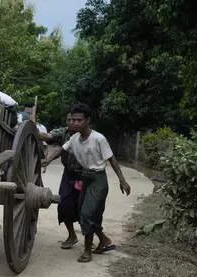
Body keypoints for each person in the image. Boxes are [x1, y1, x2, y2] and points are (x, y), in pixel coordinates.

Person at [43, 103, 131, 263]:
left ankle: (86, 251)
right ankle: (104, 240)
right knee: (85, 212)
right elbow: (61, 150)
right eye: (73, 120)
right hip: (84, 178)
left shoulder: (98, 139)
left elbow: (111, 158)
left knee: (86, 213)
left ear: (88, 120)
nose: (75, 123)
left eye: (79, 120)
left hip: (98, 179)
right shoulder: (74, 138)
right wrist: (48, 160)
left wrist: (122, 180)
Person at [40, 109, 82, 249]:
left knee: (85, 208)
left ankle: (89, 237)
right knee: (63, 205)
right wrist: (32, 130)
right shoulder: (63, 132)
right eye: (69, 120)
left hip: (84, 176)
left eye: (75, 120)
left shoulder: (87, 135)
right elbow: (49, 138)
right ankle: (72, 235)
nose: (72, 122)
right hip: (68, 174)